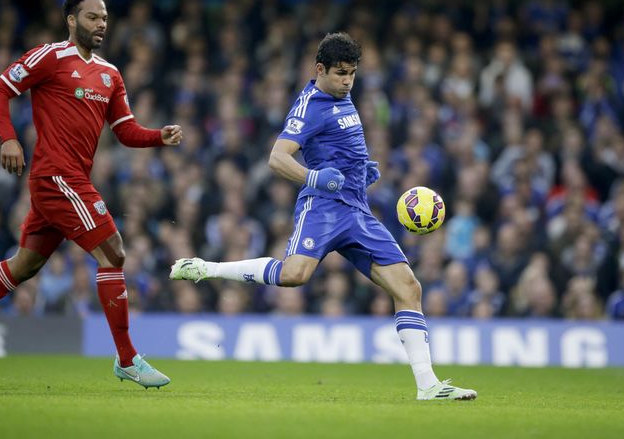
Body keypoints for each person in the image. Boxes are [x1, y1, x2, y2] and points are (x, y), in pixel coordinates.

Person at [170, 32, 477, 401]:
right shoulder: (310, 105)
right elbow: (277, 157)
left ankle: (428, 386)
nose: (348, 80)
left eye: (353, 73)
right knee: (294, 275)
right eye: (341, 73)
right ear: (320, 70)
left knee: (409, 288)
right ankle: (208, 268)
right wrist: (314, 176)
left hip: (356, 208)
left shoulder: (343, 97)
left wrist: (362, 169)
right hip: (323, 207)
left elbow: (340, 145)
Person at [0, 0, 181, 388]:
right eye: (92, 18)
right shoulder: (49, 57)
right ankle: (127, 358)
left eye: (104, 18)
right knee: (113, 252)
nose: (101, 24)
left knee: (25, 265)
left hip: (71, 179)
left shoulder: (110, 73)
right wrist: (8, 139)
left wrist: (158, 136)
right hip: (56, 177)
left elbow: (125, 132)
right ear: (71, 20)